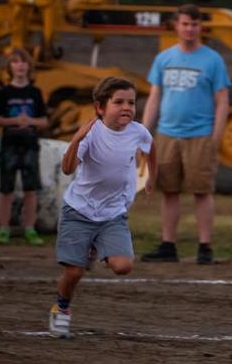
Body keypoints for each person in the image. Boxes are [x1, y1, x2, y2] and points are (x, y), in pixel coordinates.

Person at [49, 77, 155, 338]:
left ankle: (96, 246)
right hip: (79, 211)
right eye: (118, 102)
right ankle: (61, 309)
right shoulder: (90, 134)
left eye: (131, 102)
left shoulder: (138, 131)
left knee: (123, 266)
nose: (127, 108)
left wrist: (152, 176)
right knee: (74, 271)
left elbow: (151, 149)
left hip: (112, 213)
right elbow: (67, 168)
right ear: (100, 107)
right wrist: (76, 139)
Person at [140, 4, 230, 265]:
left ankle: (205, 247)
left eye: (195, 24)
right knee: (169, 190)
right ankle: (168, 245)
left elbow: (222, 100)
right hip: (167, 134)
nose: (190, 29)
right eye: (185, 24)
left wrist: (216, 137)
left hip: (200, 135)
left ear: (200, 27)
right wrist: (145, 133)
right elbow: (155, 97)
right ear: (176, 26)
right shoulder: (164, 59)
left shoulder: (212, 60)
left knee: (201, 191)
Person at [0, 48, 49, 245]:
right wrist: (14, 120)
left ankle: (30, 229)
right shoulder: (4, 92)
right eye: (15, 62)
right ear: (10, 66)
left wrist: (30, 121)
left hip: (30, 146)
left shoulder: (35, 92)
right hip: (9, 145)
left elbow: (44, 121)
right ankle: (3, 228)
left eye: (23, 62)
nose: (20, 65)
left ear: (29, 66)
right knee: (6, 190)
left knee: (30, 190)